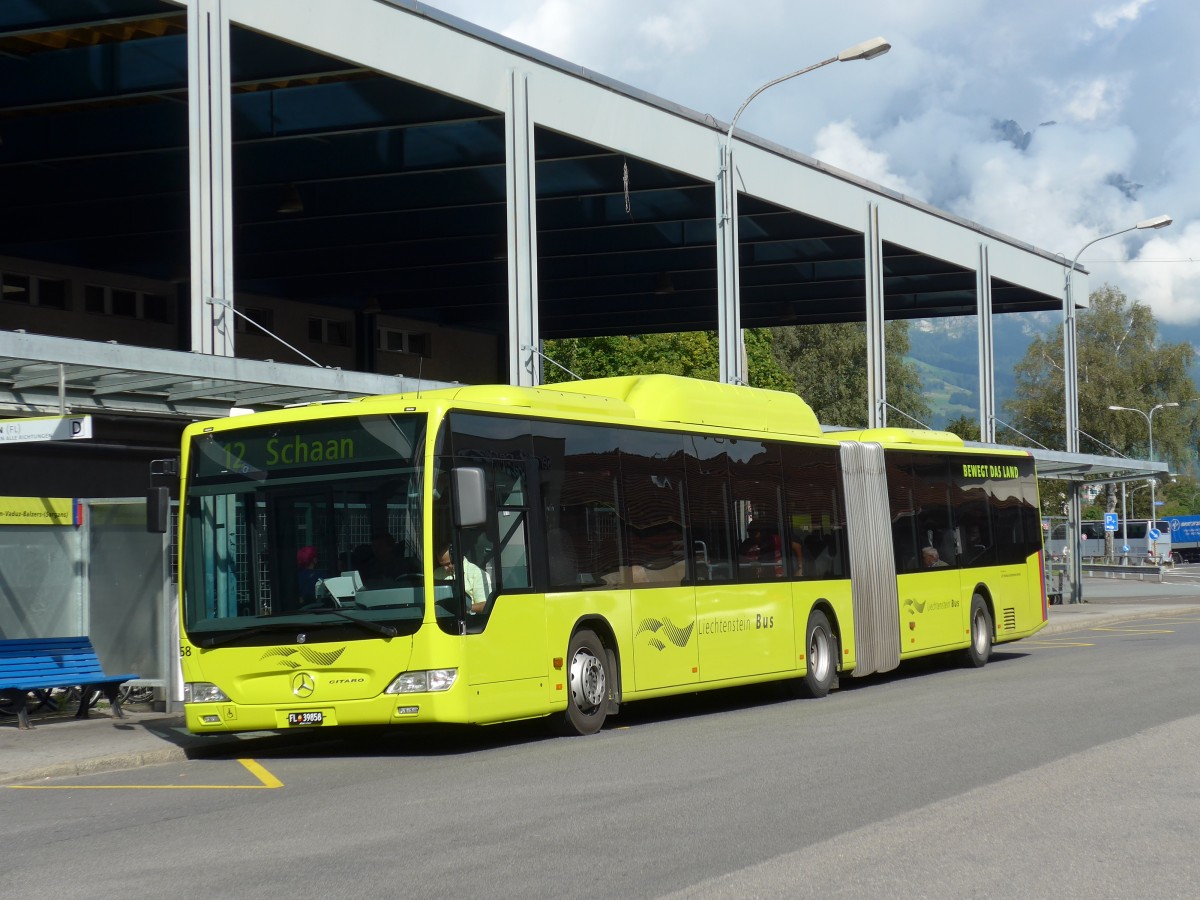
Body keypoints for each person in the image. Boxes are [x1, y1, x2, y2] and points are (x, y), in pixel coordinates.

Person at [433, 543, 489, 613]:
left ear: (456, 557)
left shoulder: (477, 574)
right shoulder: (436, 573)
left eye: (447, 564)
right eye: (442, 565)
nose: (445, 568)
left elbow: (485, 606)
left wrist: (464, 607)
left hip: (469, 620)